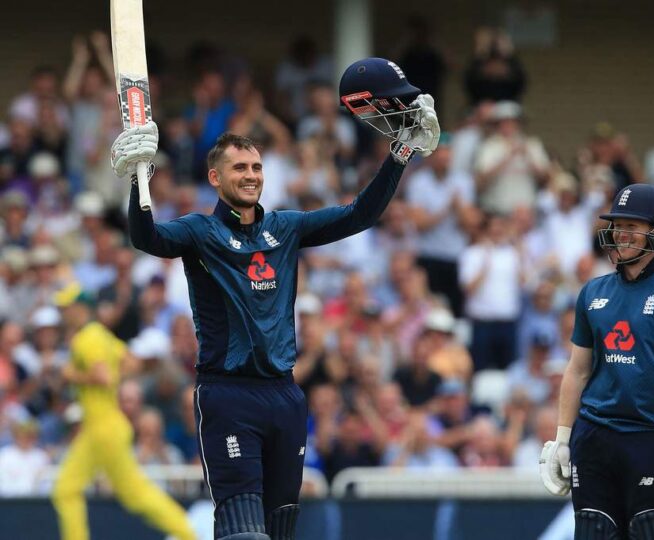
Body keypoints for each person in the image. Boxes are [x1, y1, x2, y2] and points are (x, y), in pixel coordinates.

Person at [110, 57, 439, 540]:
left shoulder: (284, 227)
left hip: (285, 397)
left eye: (257, 166)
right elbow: (148, 240)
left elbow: (359, 215)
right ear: (215, 179)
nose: (251, 174)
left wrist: (401, 153)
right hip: (227, 395)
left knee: (279, 530)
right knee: (245, 532)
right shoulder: (199, 232)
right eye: (239, 167)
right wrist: (137, 180)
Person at [538, 184, 654, 539]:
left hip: (649, 436)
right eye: (618, 224)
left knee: (653, 529)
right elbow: (577, 370)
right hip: (594, 437)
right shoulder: (592, 293)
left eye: (633, 225)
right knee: (592, 530)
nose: (621, 233)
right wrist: (562, 438)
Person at [50, 284, 194, 540]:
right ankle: (187, 532)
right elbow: (132, 362)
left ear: (81, 308)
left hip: (102, 428)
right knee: (79, 490)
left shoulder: (87, 338)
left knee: (77, 490)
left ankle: (188, 533)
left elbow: (102, 377)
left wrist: (71, 373)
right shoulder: (101, 334)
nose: (63, 312)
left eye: (67, 307)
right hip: (104, 427)